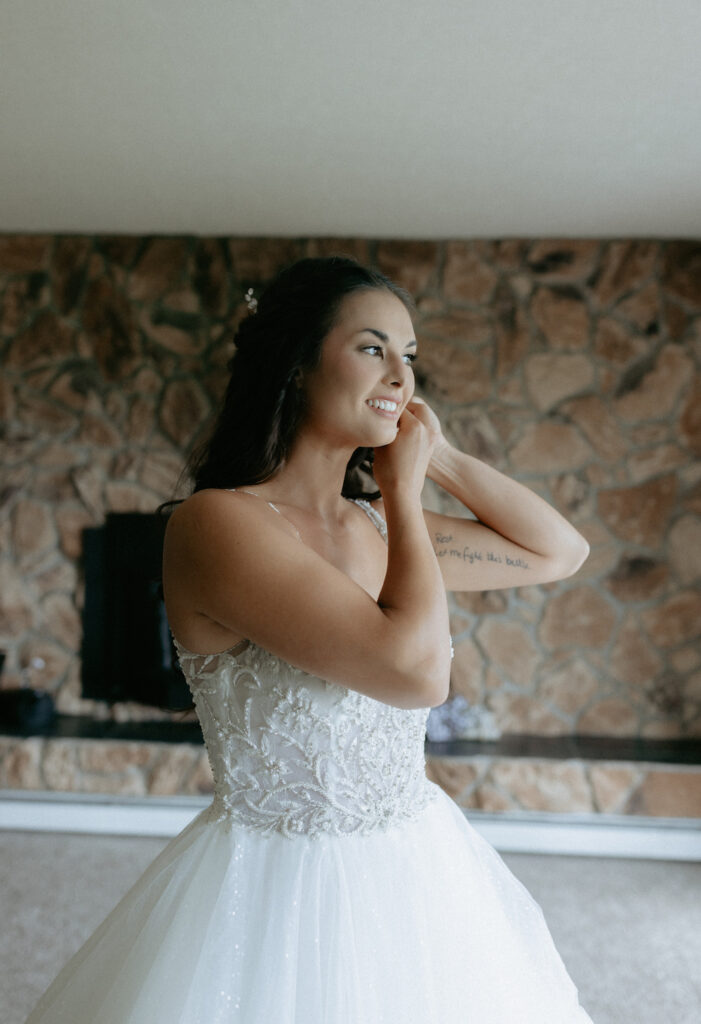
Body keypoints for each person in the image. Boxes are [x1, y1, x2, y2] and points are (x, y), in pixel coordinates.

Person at [26, 255, 595, 1023]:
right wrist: (400, 488)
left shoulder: (371, 523)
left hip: (416, 862)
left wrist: (439, 455)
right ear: (296, 365)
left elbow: (559, 553)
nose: (400, 374)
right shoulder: (217, 523)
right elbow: (416, 675)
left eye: (410, 356)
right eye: (372, 349)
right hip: (274, 882)